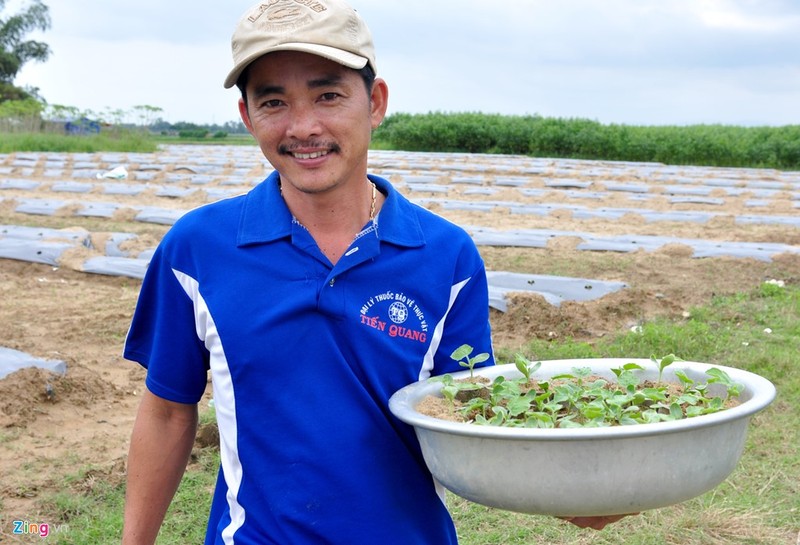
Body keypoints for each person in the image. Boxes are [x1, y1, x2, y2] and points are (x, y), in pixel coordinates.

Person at [121, 1, 627, 543]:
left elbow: (472, 415)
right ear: (248, 117)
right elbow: (170, 412)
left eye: (328, 95)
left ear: (376, 102)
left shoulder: (446, 256)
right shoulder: (198, 249)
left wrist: (570, 489)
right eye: (273, 101)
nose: (304, 126)